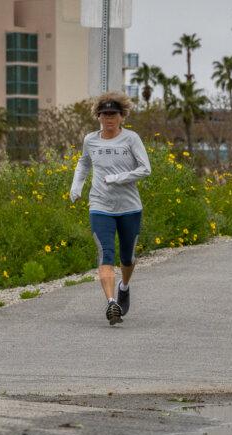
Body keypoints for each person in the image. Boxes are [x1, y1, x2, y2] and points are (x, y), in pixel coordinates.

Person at [70, 93, 152, 325]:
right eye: (105, 114)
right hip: (100, 206)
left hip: (129, 207)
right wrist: (76, 186)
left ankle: (123, 287)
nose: (109, 119)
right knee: (105, 253)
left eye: (113, 114)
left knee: (128, 257)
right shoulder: (91, 140)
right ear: (98, 116)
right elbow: (84, 162)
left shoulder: (131, 139)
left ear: (121, 116)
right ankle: (111, 303)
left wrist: (117, 178)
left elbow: (145, 169)